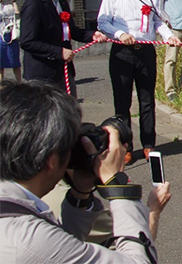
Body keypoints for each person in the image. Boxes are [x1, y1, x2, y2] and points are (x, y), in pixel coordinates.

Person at [0, 79, 169, 262]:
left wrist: (79, 194)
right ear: (51, 160)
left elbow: (60, 250)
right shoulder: (26, 240)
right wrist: (117, 184)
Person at [97, 0, 182, 164]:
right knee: (122, 102)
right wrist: (120, 34)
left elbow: (159, 21)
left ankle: (149, 144)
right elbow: (103, 22)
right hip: (121, 53)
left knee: (146, 100)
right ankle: (126, 146)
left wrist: (169, 36)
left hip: (145, 51)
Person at [19, 0, 107, 96]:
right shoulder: (34, 4)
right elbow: (27, 41)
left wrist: (92, 35)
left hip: (63, 70)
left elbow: (71, 31)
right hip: (43, 75)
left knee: (69, 111)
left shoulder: (60, 0)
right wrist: (59, 52)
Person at [0, 0, 21, 81]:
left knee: (15, 62)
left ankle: (19, 83)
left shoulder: (7, 7)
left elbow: (16, 12)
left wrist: (12, 0)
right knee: (1, 63)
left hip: (11, 37)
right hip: (0, 37)